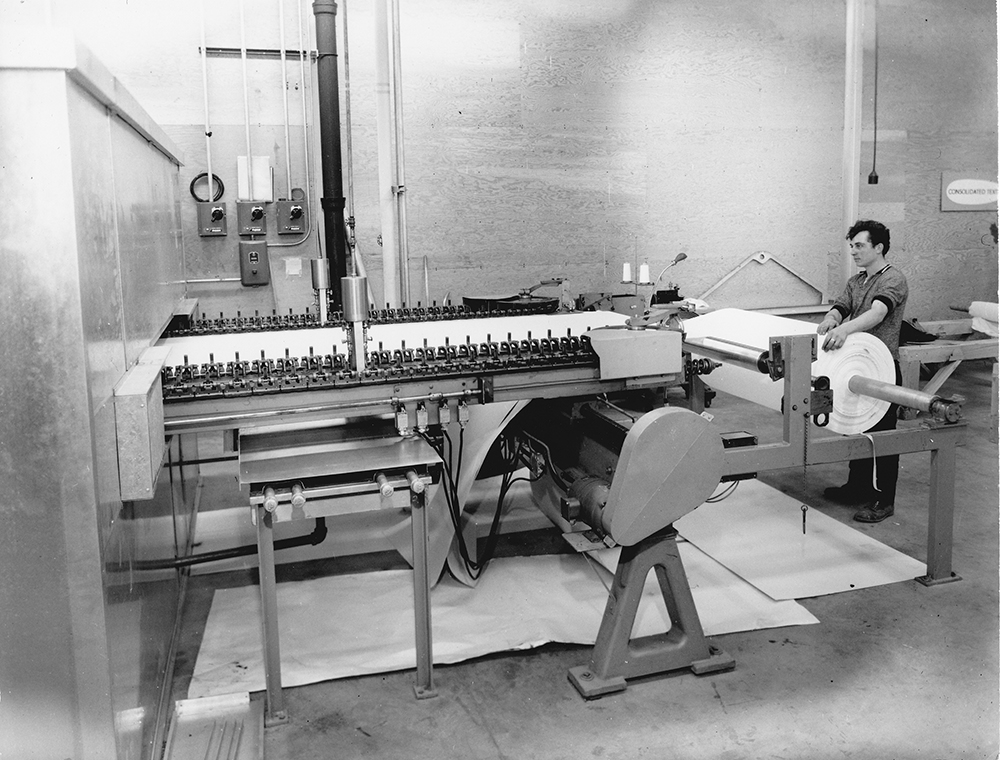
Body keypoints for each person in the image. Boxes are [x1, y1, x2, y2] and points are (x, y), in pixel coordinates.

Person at [817, 219, 908, 523]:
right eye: (852, 245)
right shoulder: (857, 281)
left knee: (882, 437)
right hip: (856, 365)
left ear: (878, 247)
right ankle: (857, 487)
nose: (853, 251)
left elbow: (878, 312)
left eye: (859, 245)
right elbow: (841, 306)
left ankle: (884, 500)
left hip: (882, 368)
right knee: (855, 427)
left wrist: (843, 330)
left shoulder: (893, 279)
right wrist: (832, 318)